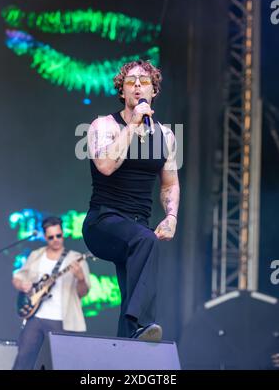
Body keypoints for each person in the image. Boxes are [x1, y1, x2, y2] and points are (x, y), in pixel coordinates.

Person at [82, 60, 180, 342]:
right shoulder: (104, 125)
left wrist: (171, 217)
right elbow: (106, 165)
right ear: (122, 92)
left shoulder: (166, 136)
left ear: (154, 91)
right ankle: (143, 322)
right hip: (103, 221)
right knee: (146, 241)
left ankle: (130, 343)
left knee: (132, 290)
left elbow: (170, 183)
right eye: (131, 82)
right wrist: (133, 124)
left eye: (145, 81)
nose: (138, 85)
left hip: (137, 227)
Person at [12, 216, 91, 370]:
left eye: (58, 235)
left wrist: (81, 279)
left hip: (62, 320)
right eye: (51, 237)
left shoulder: (76, 259)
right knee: (23, 360)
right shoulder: (36, 255)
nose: (55, 239)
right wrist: (22, 285)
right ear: (45, 237)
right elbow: (18, 278)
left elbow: (83, 293)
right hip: (35, 318)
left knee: (60, 364)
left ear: (62, 234)